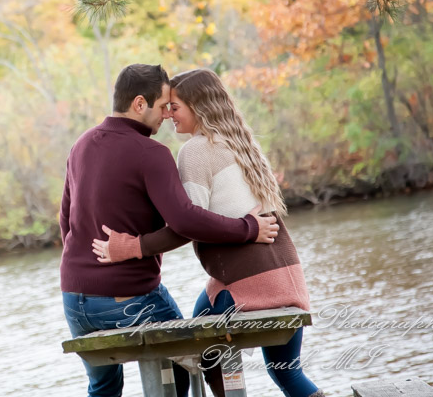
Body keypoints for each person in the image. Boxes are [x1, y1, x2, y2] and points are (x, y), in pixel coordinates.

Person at [92, 68, 324, 397]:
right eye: (166, 107)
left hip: (245, 281)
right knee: (287, 373)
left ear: (198, 108)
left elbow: (187, 224)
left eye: (175, 107)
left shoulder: (196, 150)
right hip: (287, 276)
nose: (168, 115)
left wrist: (133, 247)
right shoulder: (243, 143)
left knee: (203, 353)